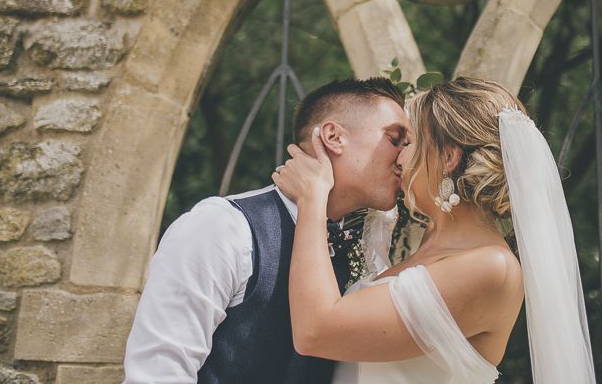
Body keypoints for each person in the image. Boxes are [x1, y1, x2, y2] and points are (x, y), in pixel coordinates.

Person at [273, 76, 596, 384]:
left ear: (449, 156)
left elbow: (317, 332)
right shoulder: (428, 248)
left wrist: (312, 198)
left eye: (408, 142)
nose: (398, 155)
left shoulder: (491, 268)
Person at [122, 77, 410, 384]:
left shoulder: (364, 251)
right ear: (333, 137)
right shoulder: (221, 227)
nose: (404, 159)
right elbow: (158, 373)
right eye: (394, 139)